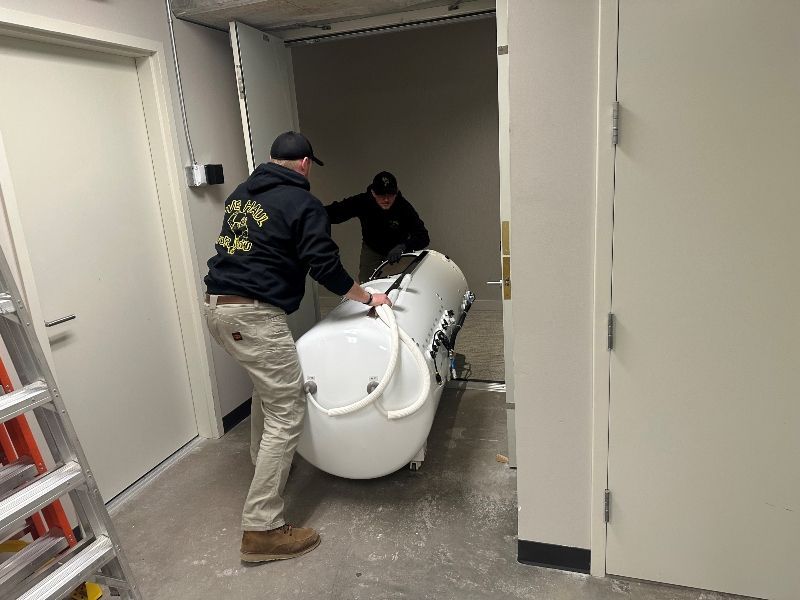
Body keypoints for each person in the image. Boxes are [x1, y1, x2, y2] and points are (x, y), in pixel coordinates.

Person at [203, 131, 391, 563]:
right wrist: (367, 297)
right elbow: (324, 265)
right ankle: (263, 528)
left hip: (218, 307)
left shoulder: (240, 195)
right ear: (305, 163)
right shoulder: (302, 203)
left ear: (272, 160)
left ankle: (264, 471)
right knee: (288, 409)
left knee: (267, 392)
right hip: (253, 313)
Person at [325, 171, 430, 282]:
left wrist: (403, 246)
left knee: (397, 284)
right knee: (366, 283)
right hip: (372, 249)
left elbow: (423, 237)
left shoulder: (404, 207)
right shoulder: (363, 201)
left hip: (397, 252)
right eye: (381, 195)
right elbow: (336, 211)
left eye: (390, 195)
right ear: (373, 193)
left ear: (396, 193)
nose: (386, 199)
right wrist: (311, 212)